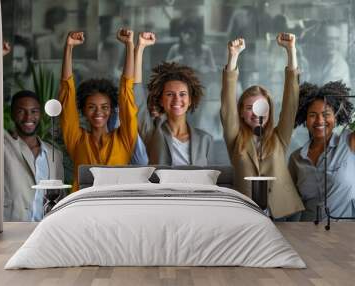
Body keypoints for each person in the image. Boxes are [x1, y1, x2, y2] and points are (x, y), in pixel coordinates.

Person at [220, 33, 304, 219]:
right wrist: (233, 56)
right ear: (241, 112)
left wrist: (291, 50)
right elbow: (227, 107)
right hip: (248, 215)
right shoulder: (235, 138)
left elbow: (291, 102)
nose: (256, 113)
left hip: (285, 212)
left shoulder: (279, 137)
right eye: (249, 108)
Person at [59, 29, 138, 192]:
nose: (98, 113)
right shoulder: (76, 140)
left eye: (104, 107)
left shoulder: (124, 139)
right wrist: (69, 47)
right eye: (91, 107)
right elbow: (67, 92)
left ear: (111, 110)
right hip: (81, 211)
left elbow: (126, 92)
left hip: (116, 210)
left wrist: (130, 45)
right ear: (83, 110)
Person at [134, 32, 213, 165]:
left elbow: (213, 179)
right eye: (170, 94)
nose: (177, 99)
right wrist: (140, 47)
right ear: (160, 100)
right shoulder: (152, 133)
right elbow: (136, 95)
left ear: (190, 100)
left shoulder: (205, 139)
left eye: (182, 94)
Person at [289, 81, 355, 221]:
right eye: (312, 115)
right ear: (305, 119)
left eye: (326, 114)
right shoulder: (296, 158)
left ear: (336, 117)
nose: (319, 120)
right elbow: (291, 204)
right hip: (307, 233)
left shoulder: (349, 142)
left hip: (344, 234)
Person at [4, 90, 64, 222]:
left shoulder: (54, 155)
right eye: (21, 111)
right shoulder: (3, 146)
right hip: (13, 225)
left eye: (34, 111)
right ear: (13, 114)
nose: (28, 117)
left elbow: (59, 197)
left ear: (41, 114)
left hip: (44, 229)